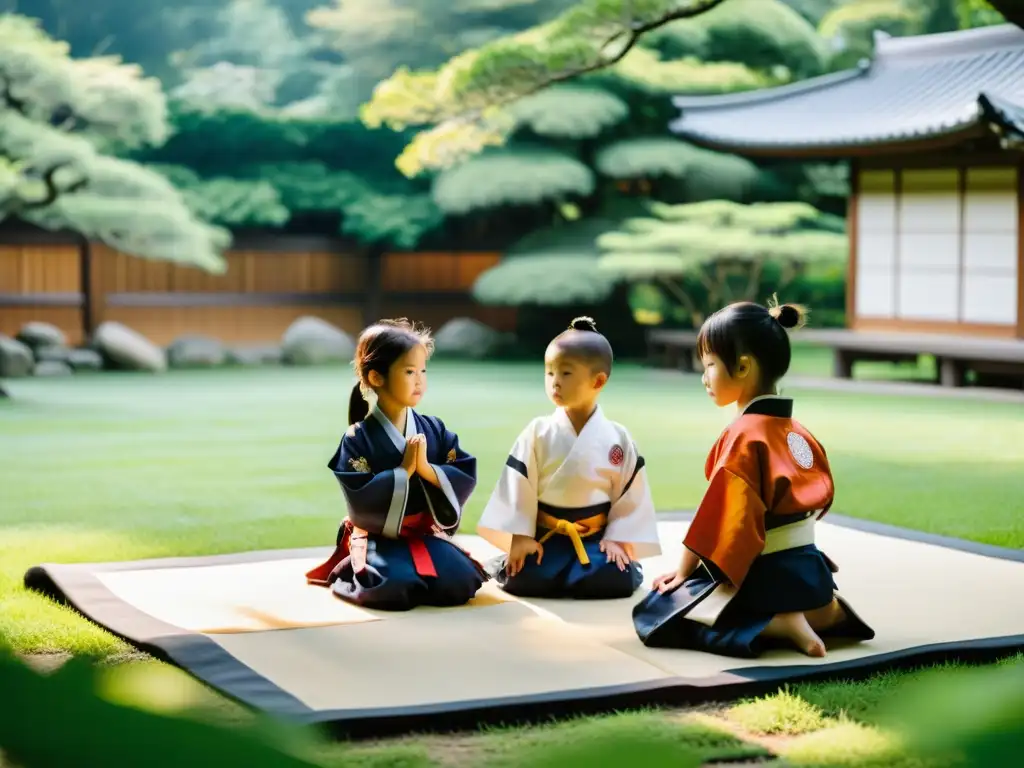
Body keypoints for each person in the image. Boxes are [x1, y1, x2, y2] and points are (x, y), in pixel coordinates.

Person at [632, 298, 875, 658]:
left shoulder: (744, 436)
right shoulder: (799, 432)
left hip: (768, 577)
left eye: (710, 365)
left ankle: (779, 623)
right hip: (810, 573)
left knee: (659, 609)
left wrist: (683, 571)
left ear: (743, 366)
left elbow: (720, 520)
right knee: (698, 595)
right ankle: (820, 613)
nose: (704, 377)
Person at [305, 318, 488, 610]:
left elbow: (462, 470)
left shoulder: (434, 428)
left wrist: (426, 469)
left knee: (459, 583)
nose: (420, 380)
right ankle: (355, 569)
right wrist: (402, 472)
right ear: (376, 377)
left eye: (423, 371)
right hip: (381, 538)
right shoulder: (357, 438)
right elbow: (360, 496)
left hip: (423, 535)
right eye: (409, 371)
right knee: (392, 586)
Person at [477, 316, 661, 599]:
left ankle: (590, 567)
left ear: (598, 380)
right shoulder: (537, 431)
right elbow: (517, 485)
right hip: (545, 537)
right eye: (549, 373)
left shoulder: (618, 438)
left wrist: (618, 539)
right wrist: (522, 537)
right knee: (525, 576)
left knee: (614, 577)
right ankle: (525, 563)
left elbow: (630, 495)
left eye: (565, 373)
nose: (555, 383)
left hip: (594, 539)